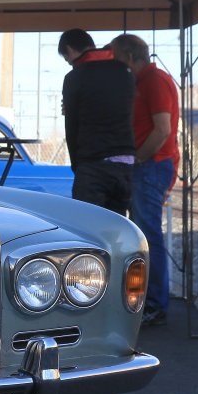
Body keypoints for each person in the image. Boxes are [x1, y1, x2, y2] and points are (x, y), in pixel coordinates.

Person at [111, 33, 180, 326]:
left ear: (129, 57)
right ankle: (149, 301)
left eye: (116, 58)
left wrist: (139, 158)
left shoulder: (154, 81)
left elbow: (162, 129)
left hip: (152, 165)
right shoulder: (146, 81)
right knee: (144, 232)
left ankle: (154, 304)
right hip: (149, 164)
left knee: (148, 234)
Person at [57, 28, 135, 215]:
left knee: (88, 226)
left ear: (70, 50)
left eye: (67, 59)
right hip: (127, 164)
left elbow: (72, 128)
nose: (70, 63)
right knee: (118, 226)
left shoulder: (74, 77)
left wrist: (77, 166)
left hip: (93, 165)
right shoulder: (125, 72)